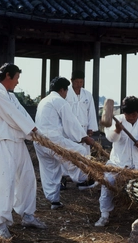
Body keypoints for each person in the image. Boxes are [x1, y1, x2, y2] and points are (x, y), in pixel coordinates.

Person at [0, 63, 46, 239]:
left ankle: (27, 215)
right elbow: (13, 117)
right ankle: (1, 223)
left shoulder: (11, 97)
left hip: (17, 141)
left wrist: (38, 134)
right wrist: (33, 131)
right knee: (4, 182)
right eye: (17, 77)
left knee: (27, 177)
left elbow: (23, 114)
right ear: (8, 76)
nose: (18, 82)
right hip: (2, 143)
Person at [33, 77, 97, 210]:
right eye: (66, 90)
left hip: (39, 141)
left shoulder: (43, 101)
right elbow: (71, 123)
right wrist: (84, 138)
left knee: (50, 169)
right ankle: (82, 180)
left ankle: (54, 201)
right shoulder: (60, 101)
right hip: (53, 140)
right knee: (80, 151)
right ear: (62, 90)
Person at [95, 96, 138, 227]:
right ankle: (104, 215)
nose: (130, 117)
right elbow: (110, 138)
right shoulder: (117, 120)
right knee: (107, 183)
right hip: (119, 163)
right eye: (127, 114)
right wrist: (117, 130)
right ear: (123, 112)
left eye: (134, 114)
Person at [65, 70, 98, 155]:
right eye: (77, 82)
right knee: (71, 153)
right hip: (70, 128)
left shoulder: (87, 94)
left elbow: (91, 112)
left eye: (81, 82)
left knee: (85, 154)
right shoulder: (66, 93)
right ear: (71, 80)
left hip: (84, 128)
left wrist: (91, 128)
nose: (79, 84)